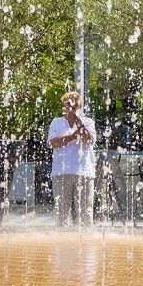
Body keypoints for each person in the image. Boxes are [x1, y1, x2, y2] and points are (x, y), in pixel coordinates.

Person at [48, 91, 98, 227]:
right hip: (61, 172)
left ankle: (86, 243)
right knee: (61, 213)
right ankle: (61, 243)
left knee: (86, 213)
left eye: (74, 103)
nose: (70, 106)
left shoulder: (87, 121)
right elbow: (52, 143)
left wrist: (77, 120)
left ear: (79, 106)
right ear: (64, 106)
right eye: (67, 103)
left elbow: (88, 140)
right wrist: (71, 137)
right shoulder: (56, 122)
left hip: (84, 172)